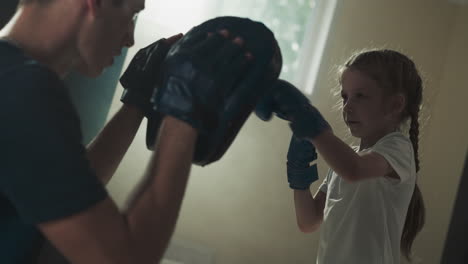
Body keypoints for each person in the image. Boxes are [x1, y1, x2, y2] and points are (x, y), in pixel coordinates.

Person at [0, 0, 253, 263]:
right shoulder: (23, 89)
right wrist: (185, 110)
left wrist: (137, 101)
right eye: (132, 14)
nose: (130, 39)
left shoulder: (12, 77)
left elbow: (65, 193)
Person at [256, 49, 426, 263]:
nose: (348, 106)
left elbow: (354, 170)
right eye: (344, 96)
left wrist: (313, 127)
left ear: (395, 105)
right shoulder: (347, 160)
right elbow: (308, 222)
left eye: (360, 96)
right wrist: (299, 172)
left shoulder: (398, 148)